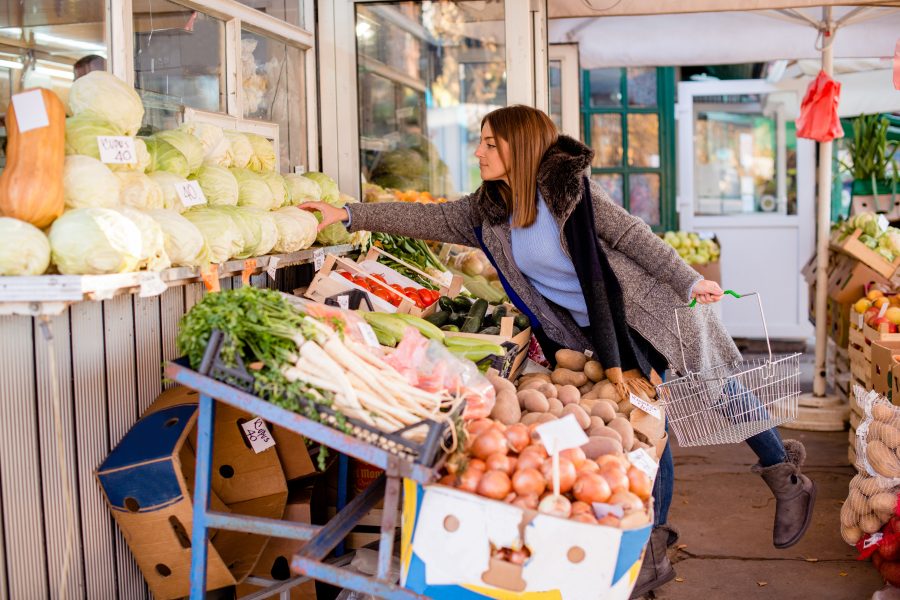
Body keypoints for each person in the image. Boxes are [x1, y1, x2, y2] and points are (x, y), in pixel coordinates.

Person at [300, 105, 816, 597]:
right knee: (650, 425)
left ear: (518, 148)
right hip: (595, 333)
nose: (478, 152)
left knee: (717, 389)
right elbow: (426, 219)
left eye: (489, 143)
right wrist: (348, 212)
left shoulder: (572, 192)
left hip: (649, 310)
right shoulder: (488, 212)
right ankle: (651, 547)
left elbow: (636, 238)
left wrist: (688, 279)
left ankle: (786, 479)